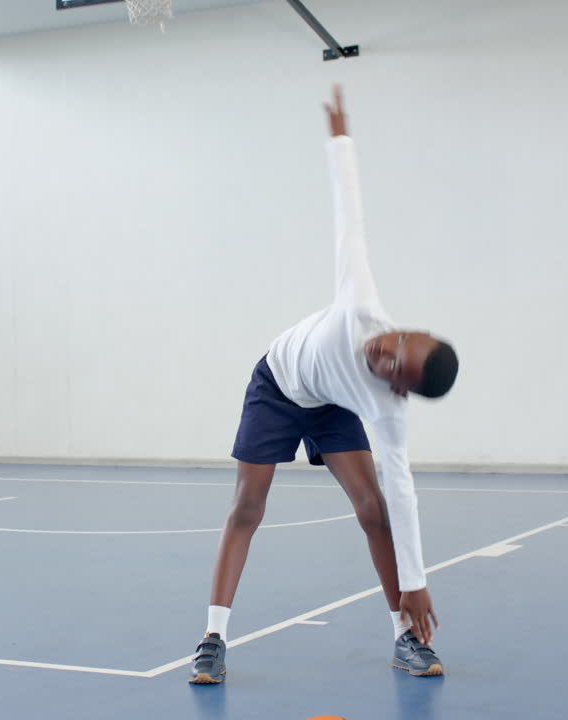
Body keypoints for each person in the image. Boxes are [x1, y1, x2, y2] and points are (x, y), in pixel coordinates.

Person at [189, 85, 459, 685]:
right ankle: (212, 638)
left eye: (396, 371)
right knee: (248, 508)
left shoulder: (382, 406)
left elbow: (404, 488)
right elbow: (349, 217)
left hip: (331, 406)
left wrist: (416, 581)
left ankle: (404, 638)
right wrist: (340, 140)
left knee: (376, 511)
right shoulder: (360, 301)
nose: (383, 356)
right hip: (278, 385)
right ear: (406, 329)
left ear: (401, 389)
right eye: (396, 346)